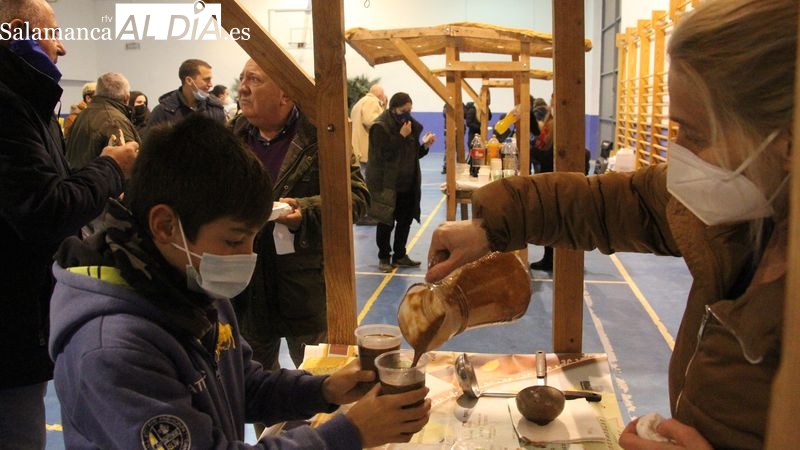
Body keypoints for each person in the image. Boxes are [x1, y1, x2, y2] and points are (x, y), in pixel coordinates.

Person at [425, 0, 795, 448]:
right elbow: (616, 202)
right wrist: (490, 227)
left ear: (787, 142)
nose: (677, 155)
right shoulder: (752, 215)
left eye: (695, 135)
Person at [49, 115, 430, 449]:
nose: (246, 256)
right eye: (233, 241)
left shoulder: (187, 281)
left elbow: (240, 383)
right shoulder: (112, 351)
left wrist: (323, 390)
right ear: (165, 226)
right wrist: (350, 433)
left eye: (253, 237)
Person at [0, 1, 139, 448]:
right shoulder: (10, 104)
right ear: (19, 31)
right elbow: (44, 208)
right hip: (11, 328)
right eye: (53, 31)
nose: (61, 46)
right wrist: (111, 168)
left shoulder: (29, 103)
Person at [232, 58, 369, 374]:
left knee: (320, 381)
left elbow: (359, 198)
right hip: (248, 288)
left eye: (254, 79)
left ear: (285, 95)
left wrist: (304, 210)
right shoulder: (231, 135)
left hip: (303, 288)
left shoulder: (323, 137)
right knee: (254, 387)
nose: (242, 88)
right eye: (242, 78)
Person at [367, 92, 435, 273]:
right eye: (403, 110)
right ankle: (383, 257)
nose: (407, 114)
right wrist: (400, 136)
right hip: (387, 185)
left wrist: (425, 146)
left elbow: (413, 155)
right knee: (386, 222)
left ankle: (399, 255)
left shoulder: (409, 126)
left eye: (410, 110)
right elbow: (385, 155)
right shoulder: (380, 127)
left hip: (407, 183)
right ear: (393, 109)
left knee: (405, 221)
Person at [66, 72, 140, 169]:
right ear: (126, 97)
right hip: (100, 181)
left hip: (80, 179)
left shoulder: (84, 113)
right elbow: (128, 166)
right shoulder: (115, 121)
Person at [147, 58, 225, 128]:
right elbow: (152, 143)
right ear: (189, 81)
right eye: (206, 79)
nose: (211, 84)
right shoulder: (162, 112)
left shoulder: (215, 108)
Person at [350, 83, 386, 226]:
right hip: (367, 149)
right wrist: (384, 109)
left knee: (363, 181)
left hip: (358, 147)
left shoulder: (360, 102)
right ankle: (367, 214)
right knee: (369, 182)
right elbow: (371, 121)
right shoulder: (372, 102)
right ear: (380, 95)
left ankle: (363, 213)